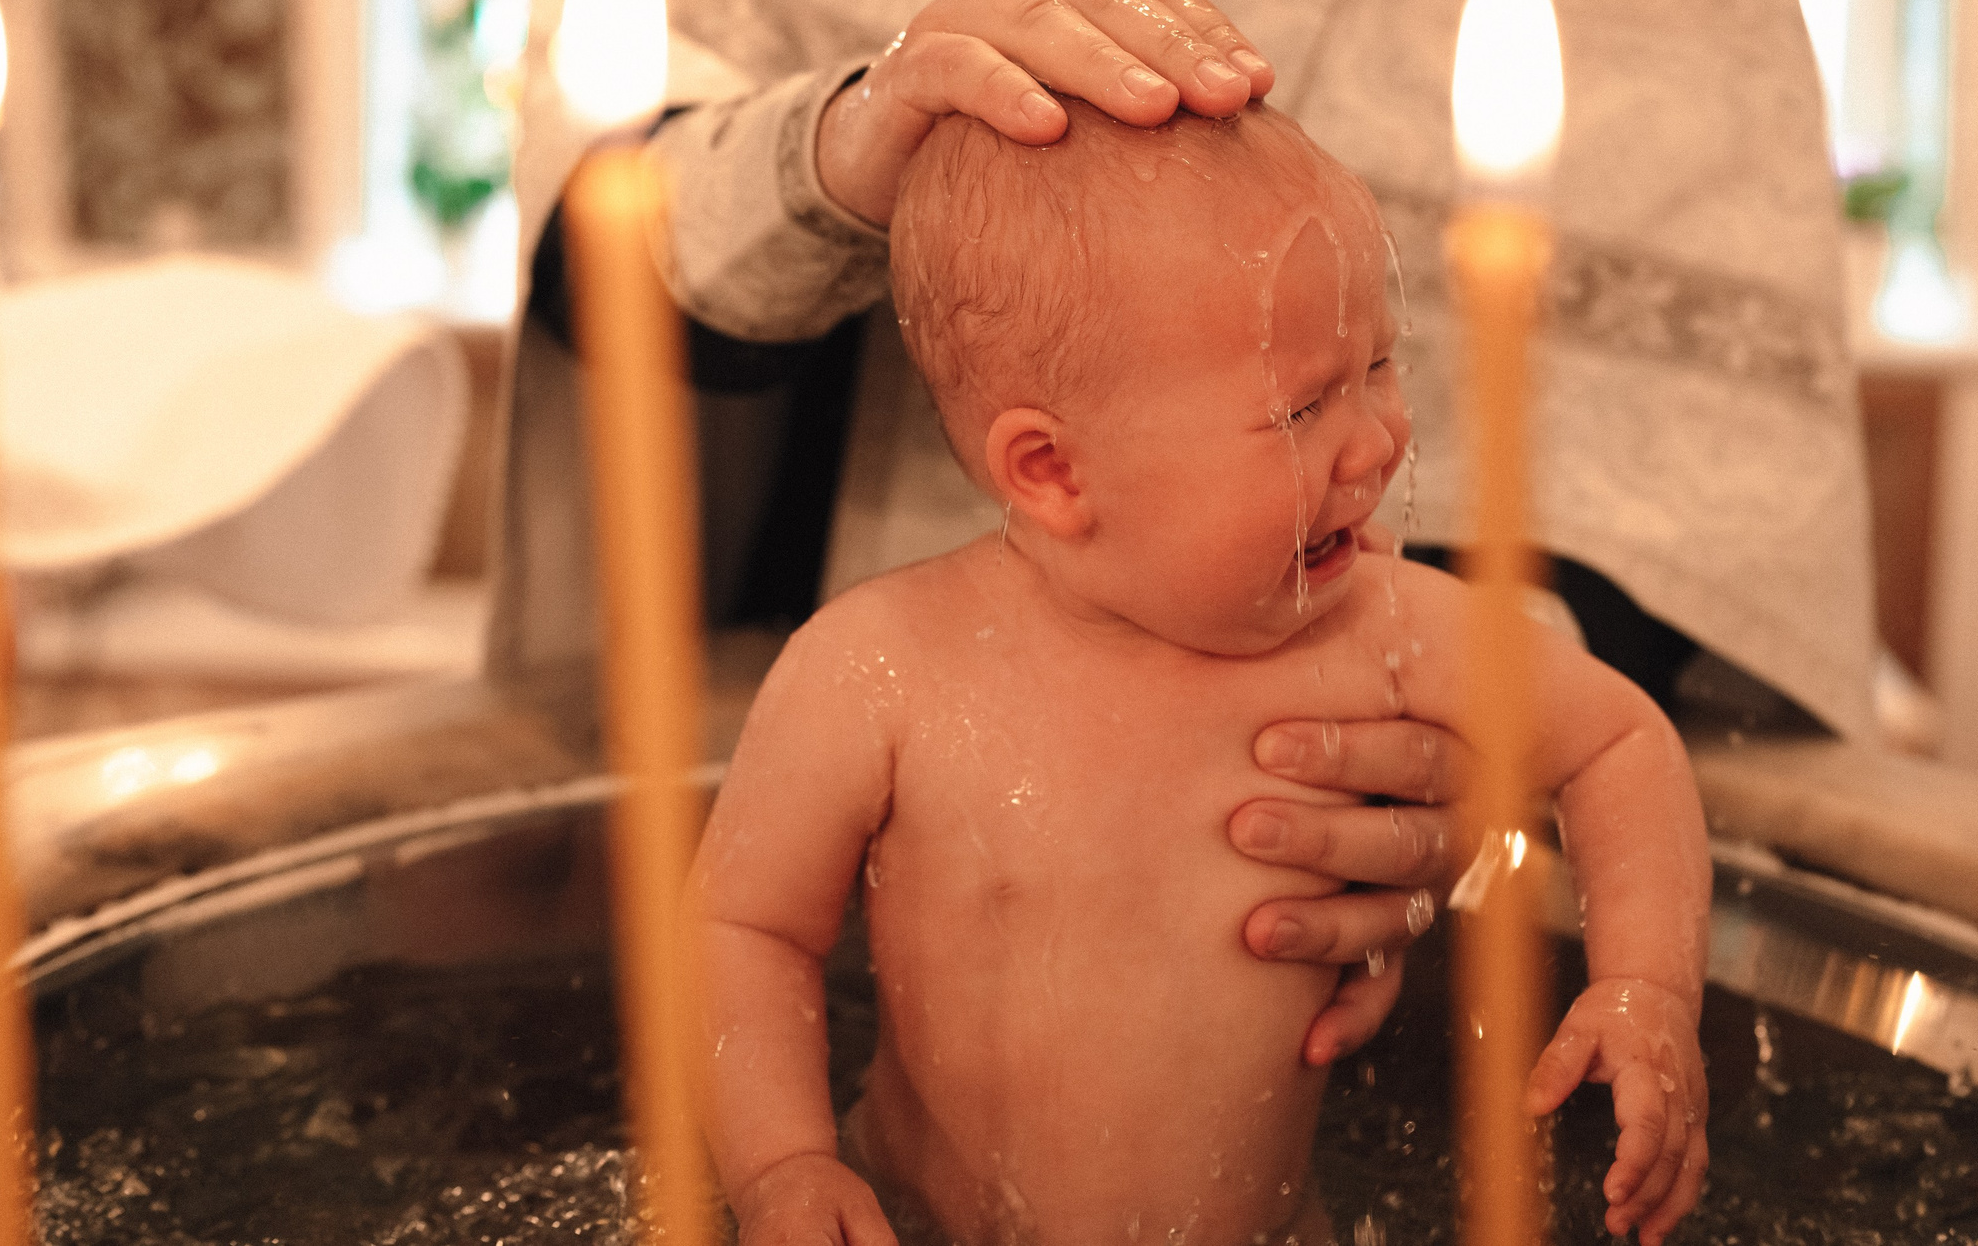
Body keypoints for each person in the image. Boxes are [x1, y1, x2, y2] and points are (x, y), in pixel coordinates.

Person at [496, 0, 1871, 1058]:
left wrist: (1420, 744)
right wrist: (848, 147)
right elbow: (614, 230)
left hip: (1435, 951)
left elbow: (1706, 477)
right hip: (918, 897)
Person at [692, 102, 1711, 1246]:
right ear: (1052, 469)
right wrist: (782, 1166)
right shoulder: (880, 668)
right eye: (1299, 408)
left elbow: (1619, 744)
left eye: (1377, 366)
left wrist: (1646, 992)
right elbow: (742, 930)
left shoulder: (1380, 629)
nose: (1379, 442)